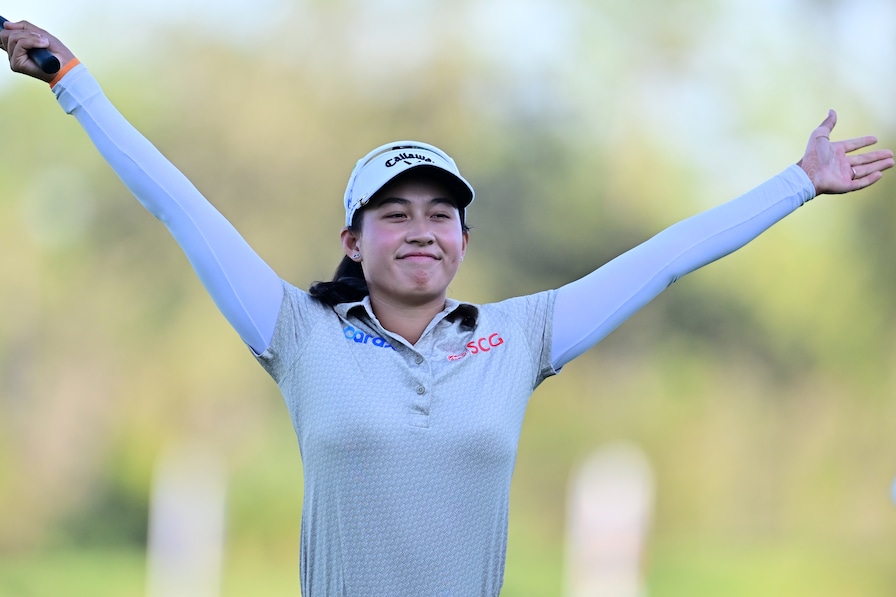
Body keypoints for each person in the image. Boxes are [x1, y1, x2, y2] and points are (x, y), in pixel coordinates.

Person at [2, 19, 893, 597]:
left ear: (465, 239)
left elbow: (660, 261)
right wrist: (72, 81)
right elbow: (179, 205)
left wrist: (797, 183)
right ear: (353, 241)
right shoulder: (298, 331)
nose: (421, 230)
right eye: (394, 214)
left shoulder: (520, 335)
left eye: (441, 214)